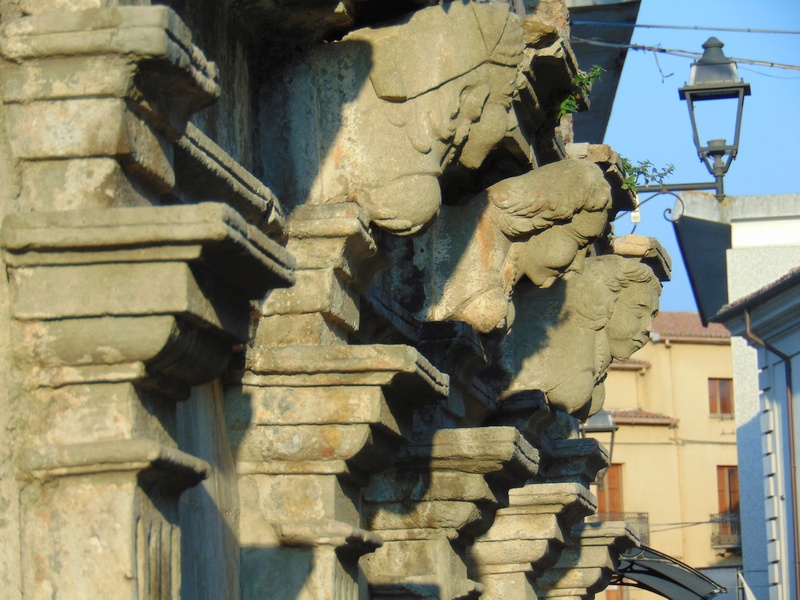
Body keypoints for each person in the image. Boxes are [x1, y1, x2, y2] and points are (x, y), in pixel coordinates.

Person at [504, 254, 661, 419]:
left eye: (652, 316)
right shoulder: (573, 346)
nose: (648, 327)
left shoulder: (595, 358)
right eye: (638, 312)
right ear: (606, 301)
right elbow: (569, 394)